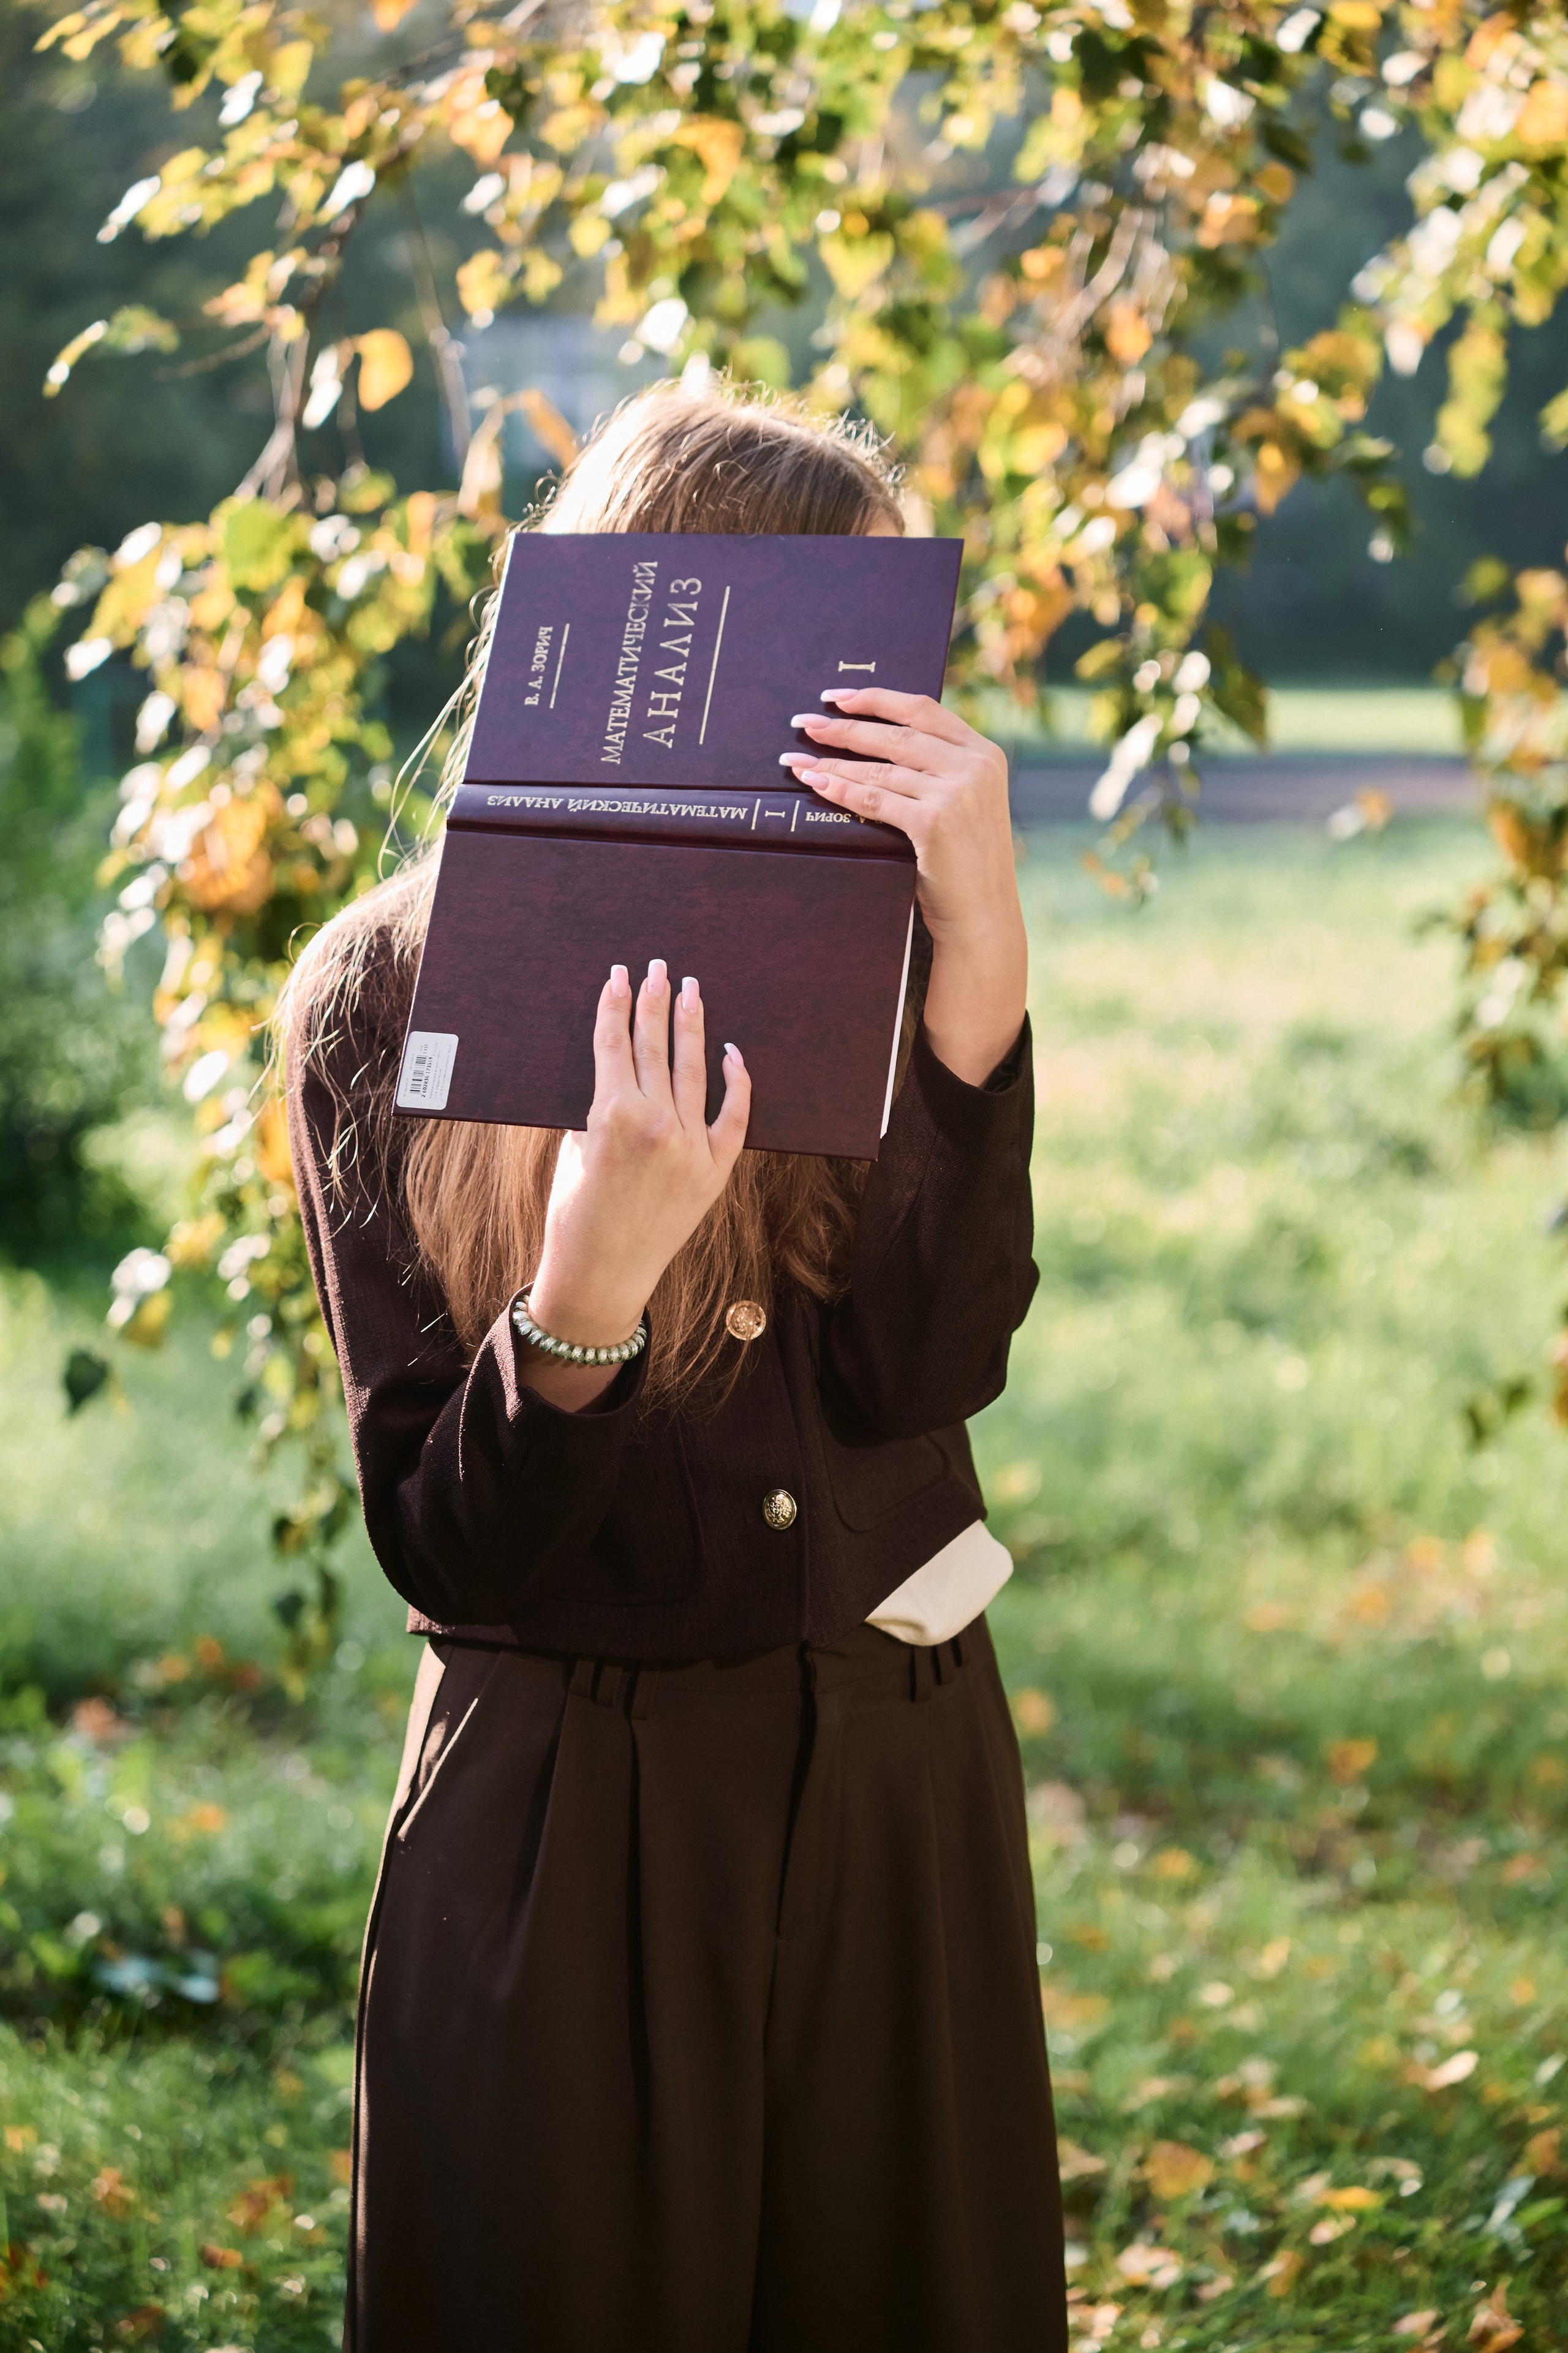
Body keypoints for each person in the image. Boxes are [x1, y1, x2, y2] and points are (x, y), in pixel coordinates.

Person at [281, 380, 1067, 2352]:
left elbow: (925, 1367)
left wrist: (981, 980)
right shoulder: (383, 996)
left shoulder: (895, 947)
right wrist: (585, 1290)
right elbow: (445, 1548)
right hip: (573, 1823)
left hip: (898, 1777)